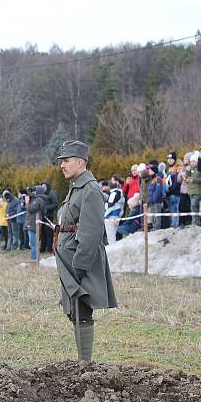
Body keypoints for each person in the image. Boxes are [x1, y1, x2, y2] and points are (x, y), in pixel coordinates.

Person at [55, 140, 117, 363]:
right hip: (70, 258)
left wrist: (79, 266)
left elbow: (90, 234)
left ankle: (85, 364)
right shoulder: (76, 187)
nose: (62, 165)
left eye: (67, 160)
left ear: (80, 162)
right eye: (61, 161)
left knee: (82, 310)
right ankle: (83, 363)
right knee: (75, 310)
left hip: (80, 261)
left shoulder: (90, 190)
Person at [24, 186, 46, 261]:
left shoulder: (38, 200)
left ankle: (34, 259)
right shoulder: (39, 199)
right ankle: (35, 258)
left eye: (34, 191)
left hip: (33, 224)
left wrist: (27, 203)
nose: (32, 192)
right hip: (33, 223)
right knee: (33, 243)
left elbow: (30, 209)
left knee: (33, 243)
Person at [104, 175, 125, 243]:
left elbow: (110, 203)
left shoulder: (115, 192)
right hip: (115, 215)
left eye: (113, 180)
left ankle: (112, 249)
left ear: (117, 182)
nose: (111, 181)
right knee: (112, 234)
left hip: (112, 215)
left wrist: (105, 204)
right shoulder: (118, 191)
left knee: (111, 235)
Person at [185, 152, 201, 226]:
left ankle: (197, 222)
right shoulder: (190, 169)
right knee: (192, 207)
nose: (192, 163)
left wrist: (194, 180)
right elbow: (186, 178)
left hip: (198, 191)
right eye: (191, 161)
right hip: (191, 191)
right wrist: (187, 171)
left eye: (194, 161)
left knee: (193, 205)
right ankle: (194, 221)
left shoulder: (200, 169)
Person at [40, 179, 59, 253]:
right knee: (42, 233)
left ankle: (49, 248)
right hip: (42, 216)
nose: (43, 188)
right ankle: (42, 247)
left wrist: (46, 208)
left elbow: (55, 204)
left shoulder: (52, 194)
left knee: (49, 233)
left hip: (49, 216)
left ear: (47, 186)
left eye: (44, 186)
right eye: (42, 186)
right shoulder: (42, 194)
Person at [165, 152, 182, 228]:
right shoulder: (168, 169)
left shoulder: (178, 168)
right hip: (169, 193)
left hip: (175, 193)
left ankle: (174, 225)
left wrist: (170, 189)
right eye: (168, 159)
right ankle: (173, 224)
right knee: (171, 210)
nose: (169, 160)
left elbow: (177, 182)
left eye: (171, 159)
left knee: (175, 209)